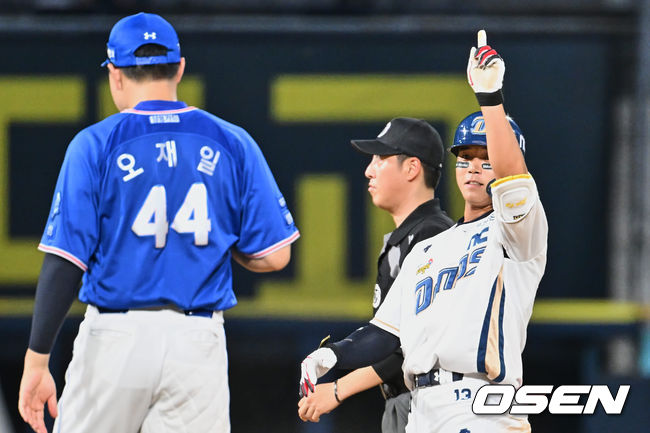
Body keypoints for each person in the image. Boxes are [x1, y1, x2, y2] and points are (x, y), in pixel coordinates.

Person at [18, 12, 299, 433]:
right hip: (197, 341)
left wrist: (37, 359)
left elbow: (65, 261)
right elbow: (277, 256)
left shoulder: (96, 144)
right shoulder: (231, 141)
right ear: (180, 68)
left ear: (115, 75)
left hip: (116, 336)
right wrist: (219, 243)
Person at [298, 29, 547, 432]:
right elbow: (384, 333)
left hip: (480, 401)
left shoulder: (516, 233)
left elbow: (513, 179)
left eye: (486, 158)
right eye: (465, 157)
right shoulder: (430, 248)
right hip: (422, 407)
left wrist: (490, 99)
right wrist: (334, 356)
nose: (475, 167)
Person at [298, 118, 454, 432]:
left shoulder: (433, 235)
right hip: (407, 399)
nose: (369, 170)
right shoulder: (410, 235)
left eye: (380, 159)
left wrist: (340, 389)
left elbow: (412, 342)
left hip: (430, 402)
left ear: (411, 168)